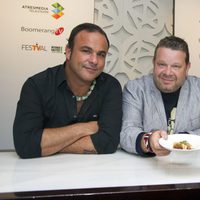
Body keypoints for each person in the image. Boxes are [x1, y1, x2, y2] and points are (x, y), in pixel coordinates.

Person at [13, 23, 122, 159]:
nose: (94, 60)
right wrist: (83, 128)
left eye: (101, 54)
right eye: (86, 51)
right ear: (69, 52)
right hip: (42, 174)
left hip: (93, 173)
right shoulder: (36, 86)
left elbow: (108, 143)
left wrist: (49, 144)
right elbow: (25, 144)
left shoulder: (111, 87)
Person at [120, 35, 200, 157]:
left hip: (192, 167)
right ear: (154, 63)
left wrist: (181, 139)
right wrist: (148, 141)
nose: (168, 72)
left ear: (187, 67)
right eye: (162, 64)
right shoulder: (135, 89)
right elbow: (126, 132)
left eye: (176, 66)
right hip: (146, 169)